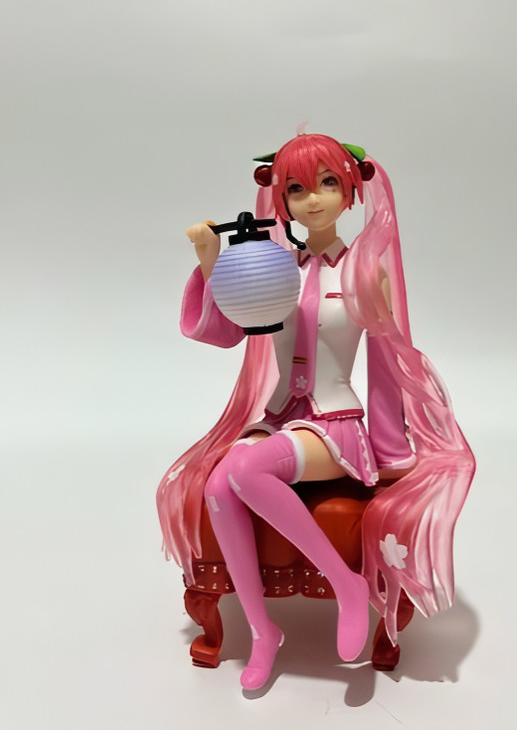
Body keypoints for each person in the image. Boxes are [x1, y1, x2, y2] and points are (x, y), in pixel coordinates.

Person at [157, 132, 475, 690]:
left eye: (328, 183)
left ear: (351, 190)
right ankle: (263, 632)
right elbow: (228, 333)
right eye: (297, 188)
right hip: (280, 417)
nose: (313, 199)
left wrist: (392, 453)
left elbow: (385, 366)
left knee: (245, 468)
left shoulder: (364, 274)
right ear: (280, 198)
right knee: (219, 485)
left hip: (335, 424)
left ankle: (347, 586)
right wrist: (211, 263)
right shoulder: (272, 266)